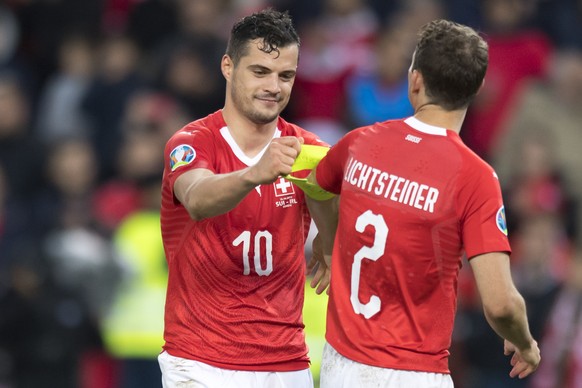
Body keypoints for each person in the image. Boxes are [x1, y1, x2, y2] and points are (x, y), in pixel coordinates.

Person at [303, 19, 541, 387]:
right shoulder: (475, 177)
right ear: (476, 87)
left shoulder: (359, 142)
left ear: (414, 79)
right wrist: (524, 342)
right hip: (414, 372)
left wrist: (327, 240)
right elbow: (500, 304)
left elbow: (315, 186)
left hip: (342, 366)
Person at [158, 8, 329, 388]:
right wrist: (255, 174)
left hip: (285, 364)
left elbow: (335, 207)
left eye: (286, 76)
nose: (275, 86)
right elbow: (199, 199)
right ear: (228, 67)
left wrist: (332, 239)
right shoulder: (191, 142)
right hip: (200, 361)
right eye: (260, 72)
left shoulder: (307, 149)